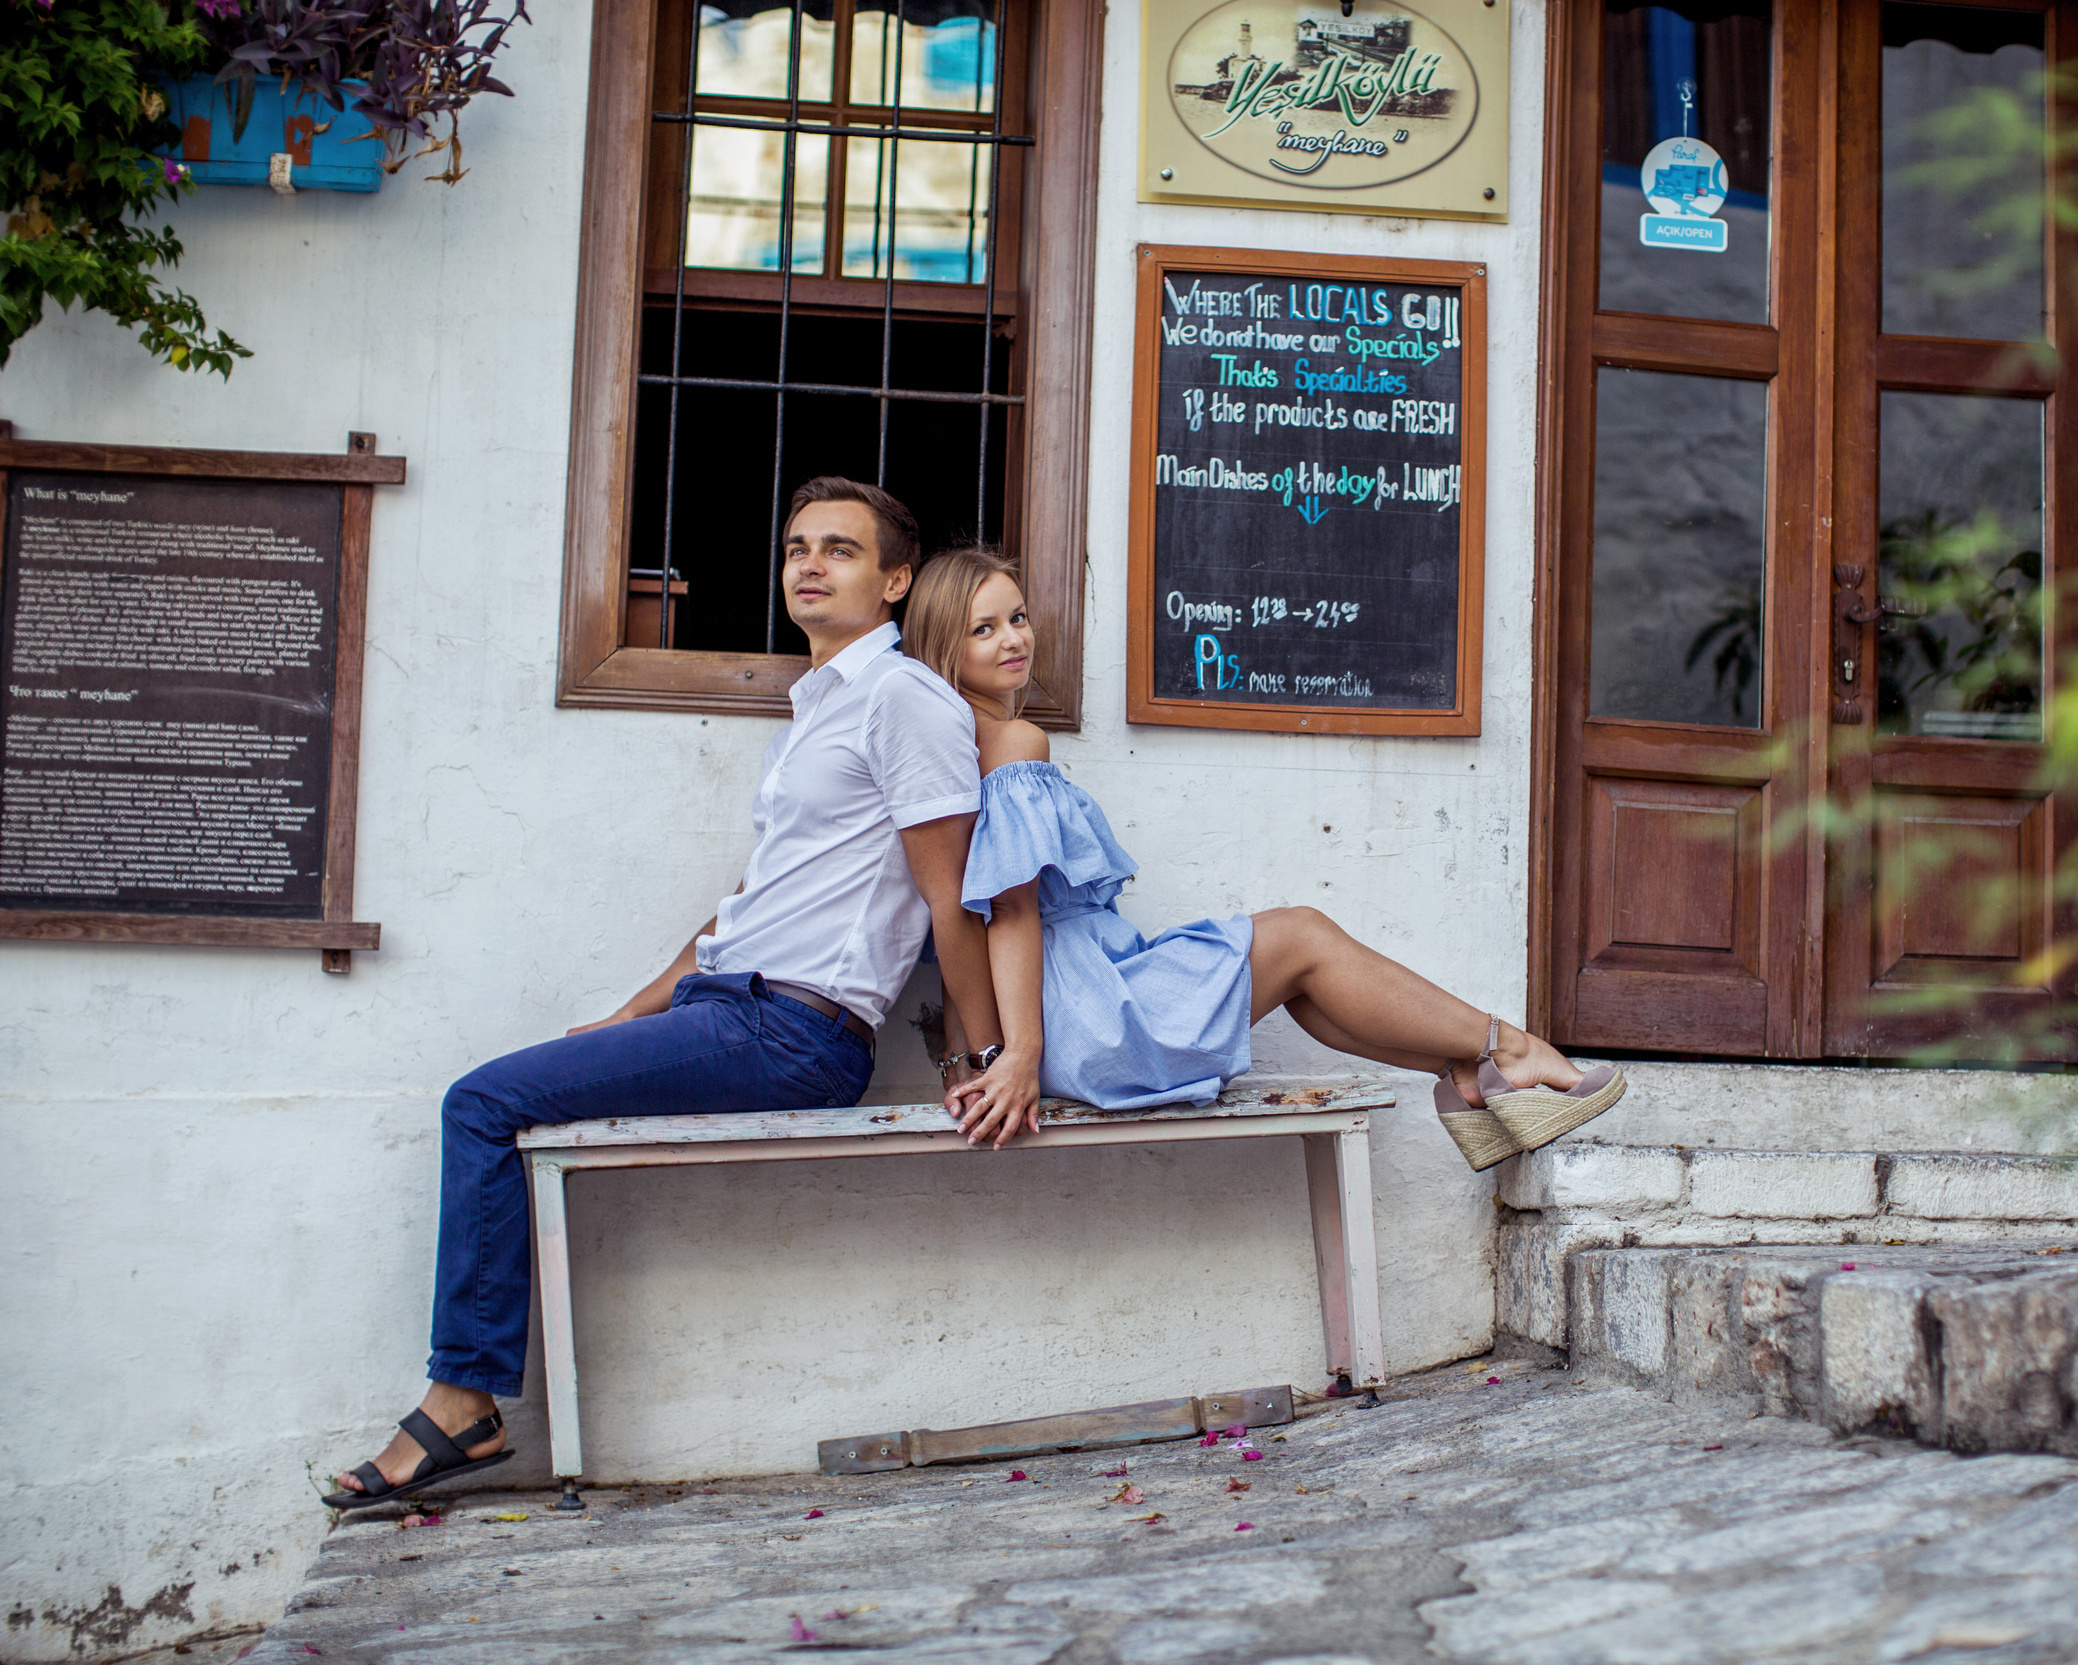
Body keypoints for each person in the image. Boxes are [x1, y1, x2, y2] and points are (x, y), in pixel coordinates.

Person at [324, 479, 1004, 1509]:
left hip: (793, 1031)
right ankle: (466, 1400)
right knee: (504, 1097)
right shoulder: (818, 709)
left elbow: (951, 896)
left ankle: (462, 1405)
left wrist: (983, 1057)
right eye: (795, 548)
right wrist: (634, 1014)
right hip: (729, 1008)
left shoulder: (903, 698)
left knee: (481, 1101)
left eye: (841, 550)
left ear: (896, 580)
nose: (809, 565)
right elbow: (749, 903)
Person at [909, 548, 1623, 1164]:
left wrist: (967, 1057)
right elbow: (1006, 912)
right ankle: (1507, 1048)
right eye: (984, 629)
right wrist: (1018, 1057)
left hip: (1060, 1006)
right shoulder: (1014, 744)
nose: (1014, 639)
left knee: (1295, 971)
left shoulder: (952, 753)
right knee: (1302, 936)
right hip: (1077, 1013)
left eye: (1019, 616)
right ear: (945, 648)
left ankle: (1470, 1069)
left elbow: (961, 919)